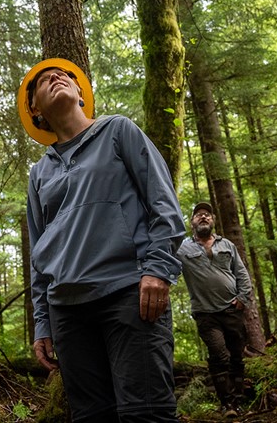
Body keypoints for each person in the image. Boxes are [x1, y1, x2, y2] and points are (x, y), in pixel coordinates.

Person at [17, 58, 187, 423]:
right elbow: (39, 253)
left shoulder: (117, 131)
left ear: (80, 94)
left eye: (65, 76)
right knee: (92, 416)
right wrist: (43, 323)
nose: (57, 77)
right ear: (35, 110)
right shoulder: (39, 173)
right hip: (67, 310)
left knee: (147, 413)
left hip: (129, 294)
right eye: (44, 80)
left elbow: (163, 202)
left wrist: (159, 269)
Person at [177, 201, 252, 417]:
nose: (203, 217)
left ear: (213, 221)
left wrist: (242, 298)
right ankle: (227, 404)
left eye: (207, 215)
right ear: (192, 222)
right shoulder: (183, 248)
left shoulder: (227, 245)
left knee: (236, 355)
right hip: (205, 314)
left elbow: (241, 273)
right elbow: (166, 262)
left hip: (231, 310)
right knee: (219, 354)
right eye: (199, 215)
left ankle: (238, 401)